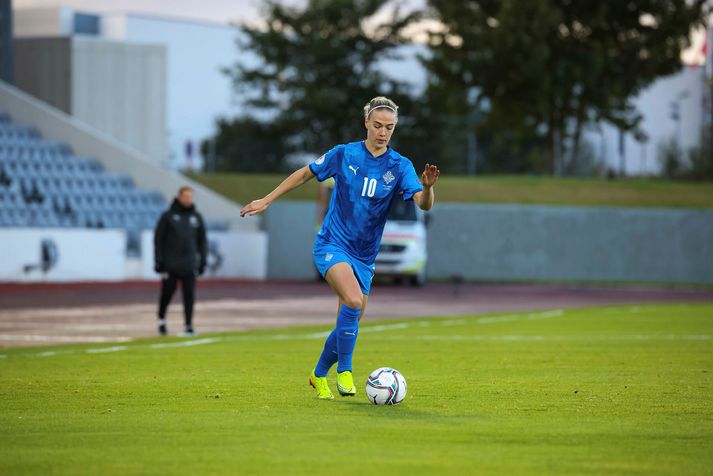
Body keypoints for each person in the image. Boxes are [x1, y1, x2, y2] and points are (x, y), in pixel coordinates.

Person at [240, 96, 440, 399]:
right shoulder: (344, 154)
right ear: (366, 124)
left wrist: (427, 188)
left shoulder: (400, 166)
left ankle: (318, 374)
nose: (383, 132)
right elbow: (305, 173)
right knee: (353, 301)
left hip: (364, 255)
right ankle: (345, 372)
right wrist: (268, 199)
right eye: (377, 125)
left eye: (389, 127)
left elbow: (423, 205)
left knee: (350, 318)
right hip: (332, 244)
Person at [154, 186, 208, 337]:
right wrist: (159, 260)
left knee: (189, 295)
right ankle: (161, 320)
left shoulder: (196, 217)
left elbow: (202, 241)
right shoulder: (168, 216)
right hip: (170, 264)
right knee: (167, 294)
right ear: (179, 197)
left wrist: (202, 260)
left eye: (190, 197)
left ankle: (188, 325)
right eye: (185, 196)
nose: (188, 199)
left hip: (189, 264)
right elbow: (158, 240)